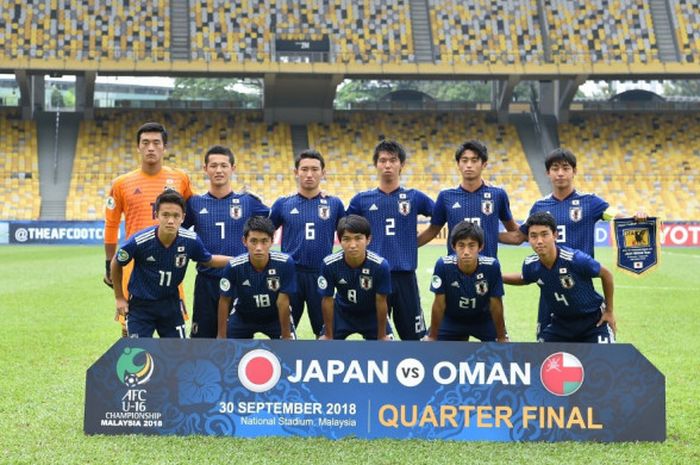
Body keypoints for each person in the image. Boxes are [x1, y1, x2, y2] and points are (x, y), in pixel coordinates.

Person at [499, 147, 642, 339]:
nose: (560, 173)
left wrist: (635, 218)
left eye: (565, 168)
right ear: (548, 173)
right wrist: (489, 235)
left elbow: (616, 217)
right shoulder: (540, 206)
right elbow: (519, 237)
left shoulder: (590, 202)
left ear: (574, 171)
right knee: (547, 354)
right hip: (549, 283)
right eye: (555, 168)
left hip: (580, 279)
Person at [104, 122, 193, 336]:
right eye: (145, 143)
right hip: (134, 267)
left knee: (173, 333)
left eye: (156, 143)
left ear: (164, 147)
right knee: (130, 331)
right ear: (138, 147)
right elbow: (111, 224)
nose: (150, 147)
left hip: (170, 263)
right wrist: (109, 263)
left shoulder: (180, 179)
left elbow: (191, 214)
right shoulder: (121, 183)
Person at [346, 140, 433, 340]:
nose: (387, 165)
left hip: (404, 277)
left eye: (392, 160)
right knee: (376, 336)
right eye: (383, 160)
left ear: (401, 164)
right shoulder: (361, 200)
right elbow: (345, 230)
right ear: (376, 164)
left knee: (413, 337)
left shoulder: (414, 197)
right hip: (371, 276)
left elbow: (439, 219)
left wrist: (414, 242)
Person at [111, 191, 229, 338]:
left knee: (178, 355)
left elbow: (209, 260)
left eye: (176, 216)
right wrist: (119, 298)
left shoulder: (191, 240)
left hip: (171, 304)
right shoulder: (140, 240)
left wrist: (239, 260)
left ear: (183, 218)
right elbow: (117, 262)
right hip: (141, 305)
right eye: (165, 215)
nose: (170, 221)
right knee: (138, 353)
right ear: (156, 215)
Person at [184, 145, 270, 338]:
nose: (219, 170)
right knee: (202, 339)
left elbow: (272, 221)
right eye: (213, 165)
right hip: (206, 282)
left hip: (241, 281)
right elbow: (180, 234)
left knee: (237, 338)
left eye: (224, 165)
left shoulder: (248, 202)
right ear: (205, 168)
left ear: (233, 168)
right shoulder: (195, 203)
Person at [503, 212, 616, 343]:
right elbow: (524, 278)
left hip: (592, 322)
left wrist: (609, 311)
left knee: (606, 361)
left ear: (555, 235)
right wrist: (498, 277)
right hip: (561, 324)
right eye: (533, 236)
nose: (539, 241)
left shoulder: (576, 259)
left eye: (544, 234)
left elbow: (606, 274)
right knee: (540, 359)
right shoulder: (531, 265)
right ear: (528, 239)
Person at [269, 149, 344, 337]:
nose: (309, 174)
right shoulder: (283, 204)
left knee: (326, 333)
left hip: (321, 274)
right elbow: (265, 235)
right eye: (304, 169)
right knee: (284, 333)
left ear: (323, 173)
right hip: (290, 274)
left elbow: (348, 236)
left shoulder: (334, 204)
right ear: (296, 172)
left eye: (314, 169)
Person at [418, 139, 519, 259]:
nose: (469, 165)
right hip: (455, 267)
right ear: (458, 164)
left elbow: (514, 231)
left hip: (488, 267)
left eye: (474, 160)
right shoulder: (446, 196)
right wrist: (405, 245)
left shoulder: (498, 195)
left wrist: (489, 234)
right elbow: (432, 231)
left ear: (484, 164)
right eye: (464, 160)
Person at [424, 221, 508, 342]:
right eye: (461, 245)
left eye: (471, 245)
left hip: (483, 320)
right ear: (454, 247)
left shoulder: (492, 266)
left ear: (481, 247)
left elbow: (496, 304)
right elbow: (439, 304)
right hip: (452, 319)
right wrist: (432, 336)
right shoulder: (443, 265)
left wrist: (501, 337)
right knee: (429, 347)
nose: (466, 251)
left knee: (503, 353)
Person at [217, 216, 296, 340]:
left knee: (289, 353)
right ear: (244, 241)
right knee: (229, 354)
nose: (259, 248)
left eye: (264, 241)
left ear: (272, 241)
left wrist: (286, 336)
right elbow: (224, 300)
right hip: (243, 317)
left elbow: (283, 302)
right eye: (253, 241)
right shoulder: (233, 267)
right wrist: (221, 336)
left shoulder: (285, 263)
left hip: (274, 318)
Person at [317, 215, 393, 341]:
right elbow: (327, 299)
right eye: (346, 239)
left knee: (387, 349)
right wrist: (328, 335)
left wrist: (382, 336)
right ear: (340, 240)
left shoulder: (380, 265)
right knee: (324, 346)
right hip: (342, 312)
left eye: (358, 238)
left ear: (368, 239)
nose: (352, 245)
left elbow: (381, 301)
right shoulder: (329, 264)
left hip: (371, 314)